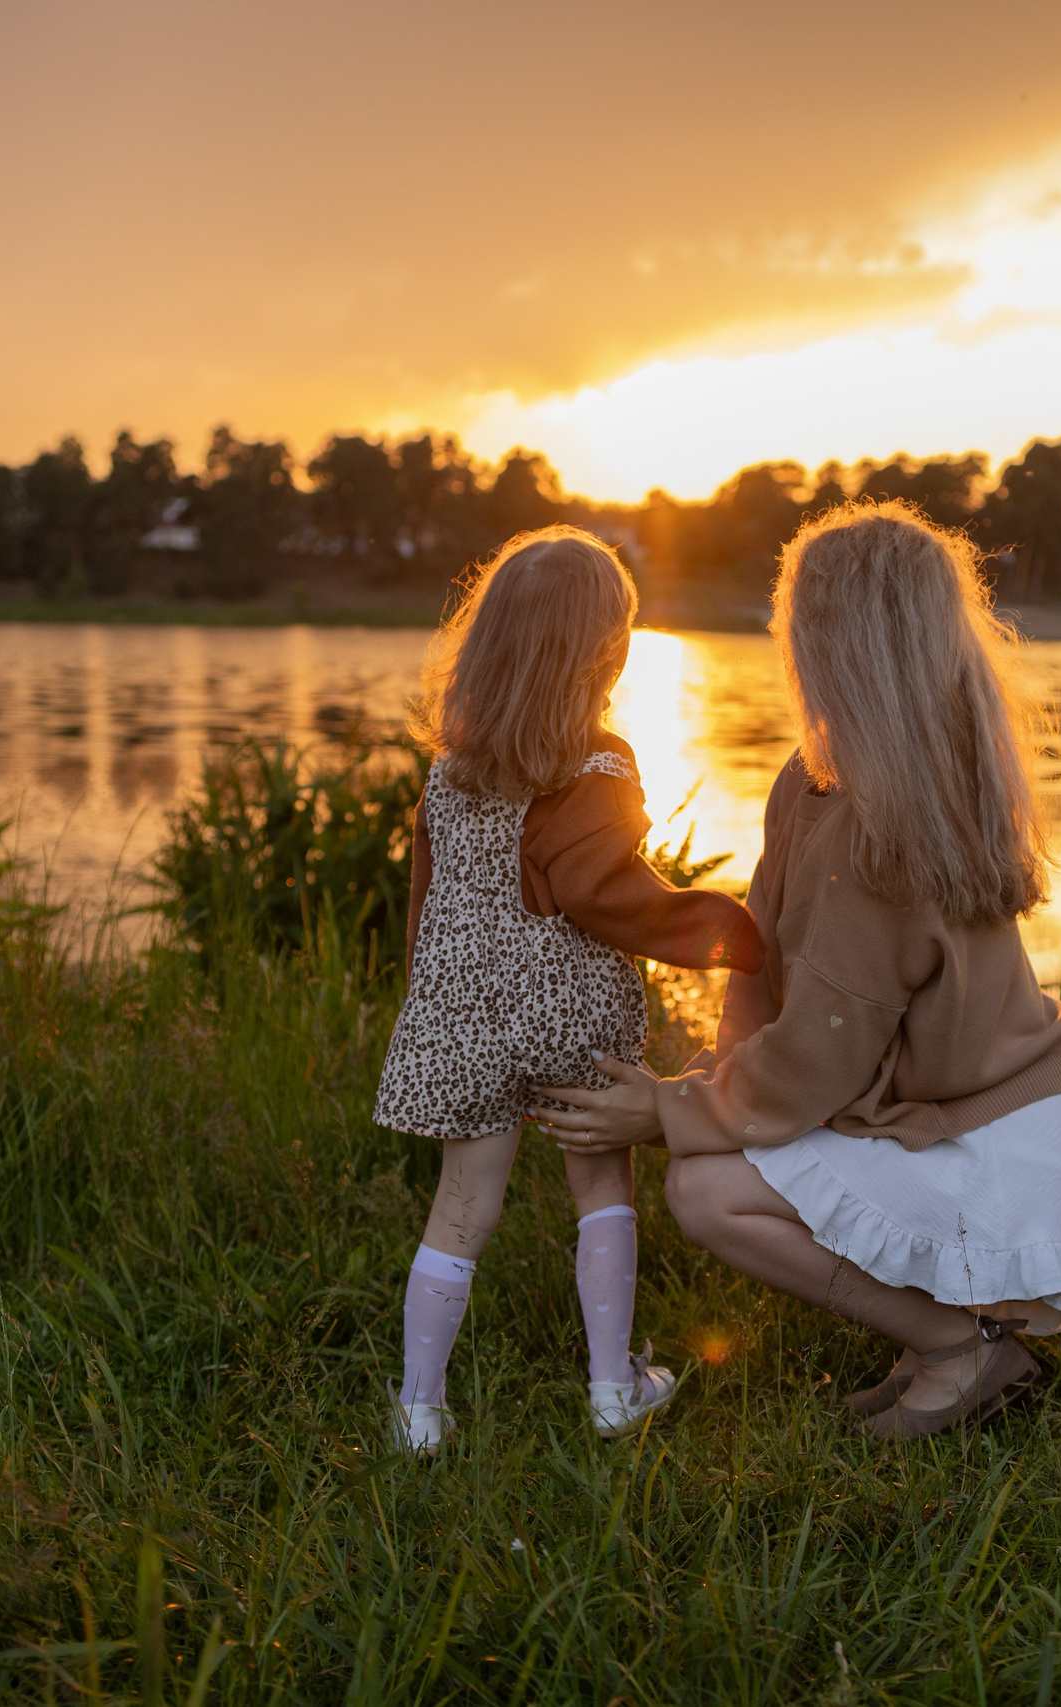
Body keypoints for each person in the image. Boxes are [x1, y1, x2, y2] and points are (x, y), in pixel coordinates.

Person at [539, 504, 1061, 1438]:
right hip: (937, 1112)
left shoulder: (885, 826)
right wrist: (718, 1078)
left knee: (705, 1191)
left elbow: (825, 1053)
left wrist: (668, 1111)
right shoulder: (814, 776)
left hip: (994, 1140)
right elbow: (762, 955)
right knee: (723, 1154)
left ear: (830, 645)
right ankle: (939, 1342)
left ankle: (959, 1347)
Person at [374, 525, 766, 1455]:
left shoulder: (449, 770)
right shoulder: (599, 764)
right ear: (607, 654)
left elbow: (429, 907)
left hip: (463, 1014)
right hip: (570, 1015)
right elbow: (609, 894)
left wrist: (429, 1004)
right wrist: (732, 931)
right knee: (601, 1183)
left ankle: (421, 1410)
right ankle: (609, 1387)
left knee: (463, 1203)